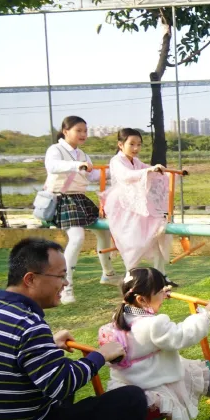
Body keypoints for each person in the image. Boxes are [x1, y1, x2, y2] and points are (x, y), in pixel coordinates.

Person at [0, 238, 144, 420]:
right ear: (30, 279)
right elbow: (62, 384)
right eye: (61, 276)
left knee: (61, 377)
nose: (66, 282)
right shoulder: (28, 325)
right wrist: (101, 355)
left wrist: (49, 345)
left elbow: (7, 357)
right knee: (131, 398)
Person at [100, 267, 210, 420]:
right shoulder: (153, 325)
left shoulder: (120, 317)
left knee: (186, 367)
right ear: (141, 300)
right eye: (159, 292)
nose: (163, 295)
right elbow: (183, 334)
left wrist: (160, 294)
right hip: (152, 393)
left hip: (129, 385)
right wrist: (206, 312)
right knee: (196, 371)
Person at [44, 115, 118, 304]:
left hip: (80, 199)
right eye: (78, 130)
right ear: (65, 131)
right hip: (63, 199)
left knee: (104, 231)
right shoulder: (55, 150)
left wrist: (119, 169)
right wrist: (77, 165)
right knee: (77, 238)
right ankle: (65, 288)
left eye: (85, 131)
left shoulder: (83, 154)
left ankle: (108, 274)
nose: (83, 134)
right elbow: (52, 166)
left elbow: (93, 176)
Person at [101, 128, 175, 275]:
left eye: (139, 144)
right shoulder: (116, 161)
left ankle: (161, 275)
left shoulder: (136, 161)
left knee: (158, 234)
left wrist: (162, 171)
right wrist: (149, 171)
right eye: (132, 144)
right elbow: (126, 176)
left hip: (138, 202)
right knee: (134, 243)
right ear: (120, 145)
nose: (136, 148)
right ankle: (130, 275)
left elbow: (147, 170)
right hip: (122, 205)